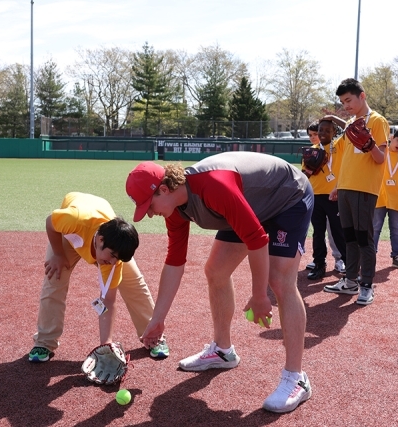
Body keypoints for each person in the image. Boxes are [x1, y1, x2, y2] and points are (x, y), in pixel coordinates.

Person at [125, 151, 314, 413]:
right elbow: (174, 263)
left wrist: (260, 295)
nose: (148, 214)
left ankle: (297, 379)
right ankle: (223, 351)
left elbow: (257, 240)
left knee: (279, 281)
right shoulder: (175, 210)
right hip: (249, 204)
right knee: (215, 270)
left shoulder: (214, 186)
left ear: (164, 190)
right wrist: (158, 319)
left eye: (149, 206)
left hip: (287, 197)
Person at [28, 192, 169, 363]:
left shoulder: (113, 259)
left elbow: (108, 301)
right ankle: (44, 342)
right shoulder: (74, 219)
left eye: (117, 259)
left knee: (134, 283)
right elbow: (50, 222)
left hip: (103, 229)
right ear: (100, 240)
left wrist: (105, 346)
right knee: (54, 279)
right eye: (112, 256)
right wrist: (58, 254)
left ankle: (153, 335)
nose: (112, 262)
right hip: (72, 233)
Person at [322, 78, 389, 305]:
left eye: (349, 100)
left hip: (364, 188)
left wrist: (369, 145)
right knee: (349, 238)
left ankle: (367, 284)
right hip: (347, 187)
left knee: (364, 238)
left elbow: (380, 159)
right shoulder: (352, 122)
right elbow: (347, 158)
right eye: (342, 101)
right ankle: (350, 281)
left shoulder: (377, 121)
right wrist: (338, 186)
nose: (346, 105)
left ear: (362, 96)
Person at [303, 119, 347, 281]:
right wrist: (310, 168)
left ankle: (348, 265)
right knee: (318, 233)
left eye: (327, 131)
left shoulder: (340, 146)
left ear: (334, 133)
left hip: (334, 196)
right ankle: (319, 264)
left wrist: (333, 118)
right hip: (315, 196)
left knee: (338, 232)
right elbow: (305, 175)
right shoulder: (311, 151)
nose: (322, 134)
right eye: (320, 130)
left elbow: (348, 129)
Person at [373, 129, 398, 270]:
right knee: (375, 227)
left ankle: (397, 257)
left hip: (397, 198)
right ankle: (370, 256)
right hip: (379, 197)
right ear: (391, 137)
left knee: (395, 229)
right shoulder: (381, 153)